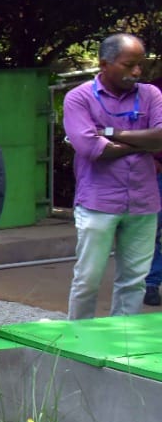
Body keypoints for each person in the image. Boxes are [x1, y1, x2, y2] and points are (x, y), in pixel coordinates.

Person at [62, 33, 162, 320]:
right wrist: (142, 143)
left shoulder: (150, 94)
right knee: (88, 280)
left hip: (143, 201)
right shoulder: (79, 97)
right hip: (98, 201)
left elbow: (161, 138)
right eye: (129, 64)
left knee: (134, 282)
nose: (137, 71)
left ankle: (124, 345)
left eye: (139, 65)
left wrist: (110, 132)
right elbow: (90, 148)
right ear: (104, 64)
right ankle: (78, 340)